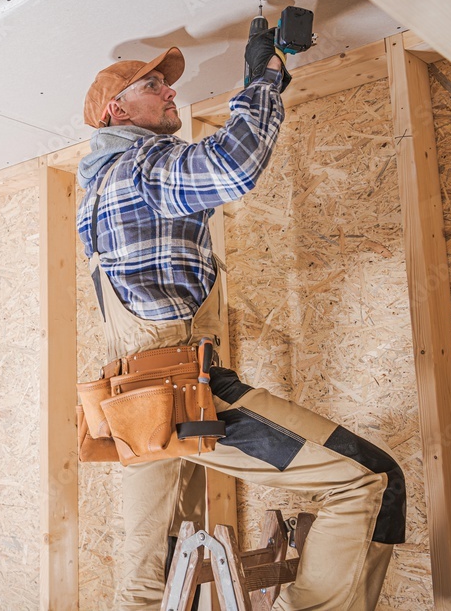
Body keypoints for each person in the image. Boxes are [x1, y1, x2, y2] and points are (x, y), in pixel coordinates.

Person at [76, 32, 406, 610]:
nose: (169, 90)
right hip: (183, 393)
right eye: (152, 85)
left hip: (133, 403)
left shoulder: (103, 184)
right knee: (365, 481)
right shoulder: (139, 165)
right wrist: (262, 84)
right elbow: (231, 165)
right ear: (116, 111)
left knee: (146, 577)